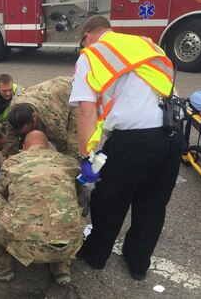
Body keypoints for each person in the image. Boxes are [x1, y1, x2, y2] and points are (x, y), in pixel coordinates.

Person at [69, 15, 181, 280]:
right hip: (172, 136)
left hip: (133, 141)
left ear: (87, 36)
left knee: (109, 199)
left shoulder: (92, 54)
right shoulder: (147, 44)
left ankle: (96, 256)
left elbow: (86, 111)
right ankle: (138, 263)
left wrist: (87, 157)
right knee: (152, 205)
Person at [0, 130, 84, 284]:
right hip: (71, 245)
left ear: (24, 147)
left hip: (25, 248)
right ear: (48, 146)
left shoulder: (12, 163)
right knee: (71, 199)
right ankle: (61, 265)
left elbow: (3, 194)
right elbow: (79, 191)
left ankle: (1, 266)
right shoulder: (69, 162)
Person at [2, 76, 77, 157]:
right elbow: (10, 141)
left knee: (74, 143)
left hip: (72, 91)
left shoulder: (52, 121)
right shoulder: (13, 112)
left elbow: (63, 146)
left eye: (30, 130)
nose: (28, 134)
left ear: (34, 116)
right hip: (49, 92)